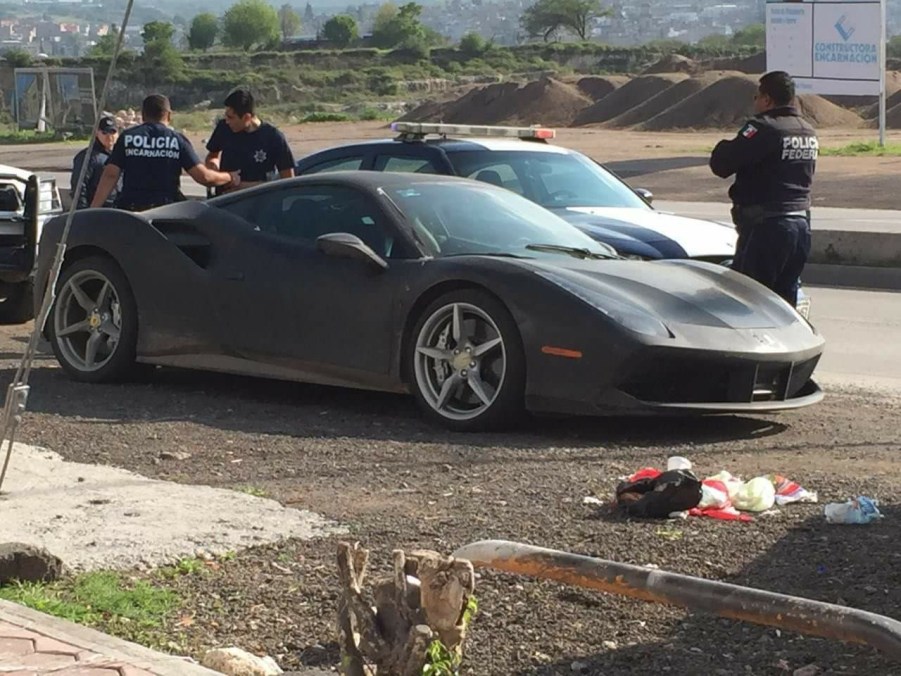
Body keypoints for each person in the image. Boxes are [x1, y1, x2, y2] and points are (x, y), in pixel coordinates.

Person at [709, 70, 817, 308]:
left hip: (767, 227)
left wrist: (723, 145)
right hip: (800, 226)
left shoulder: (764, 128)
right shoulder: (806, 130)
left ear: (767, 99)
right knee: (784, 305)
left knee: (750, 302)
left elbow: (722, 164)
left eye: (757, 97)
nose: (755, 103)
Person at [90, 94, 239, 211]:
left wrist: (94, 209)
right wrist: (230, 177)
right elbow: (204, 177)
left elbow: (110, 175)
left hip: (132, 210)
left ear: (143, 115)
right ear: (169, 115)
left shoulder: (127, 137)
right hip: (166, 211)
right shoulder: (177, 140)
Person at [204, 89, 295, 196]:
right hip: (225, 200)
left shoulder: (273, 137)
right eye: (226, 116)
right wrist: (213, 165)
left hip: (259, 203)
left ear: (247, 117)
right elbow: (212, 155)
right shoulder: (224, 128)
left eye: (231, 117)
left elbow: (288, 180)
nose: (227, 121)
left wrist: (242, 186)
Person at [70, 114, 120, 209]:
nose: (109, 137)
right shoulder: (87, 157)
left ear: (118, 134)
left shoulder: (121, 155)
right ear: (97, 133)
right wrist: (84, 212)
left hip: (118, 209)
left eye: (112, 132)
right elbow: (79, 186)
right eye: (104, 133)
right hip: (96, 210)